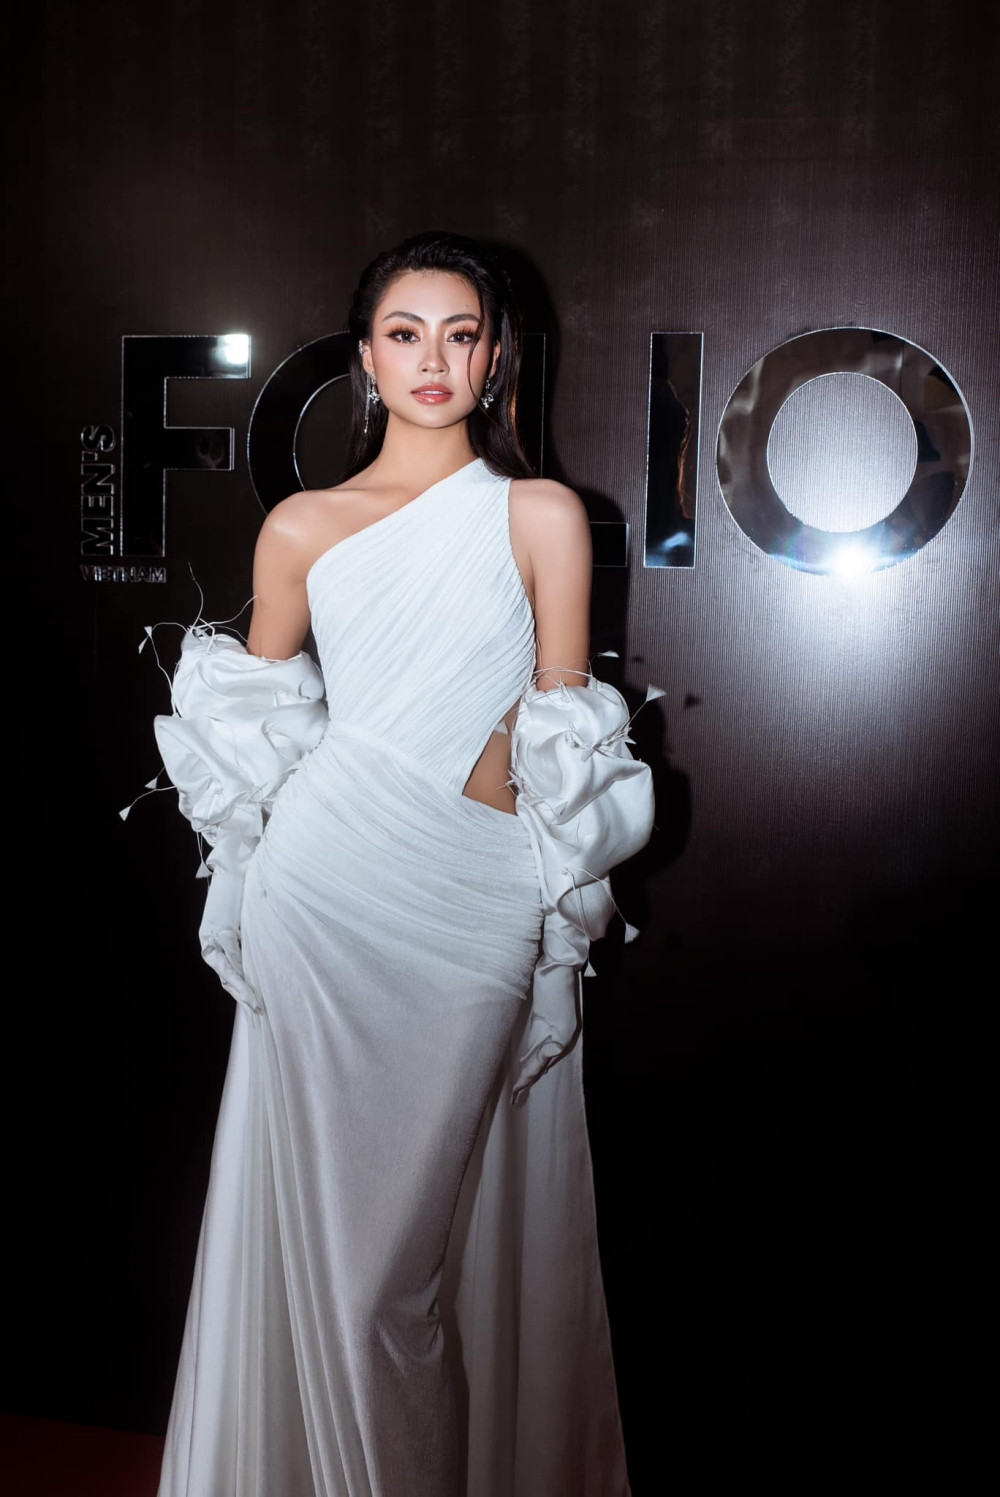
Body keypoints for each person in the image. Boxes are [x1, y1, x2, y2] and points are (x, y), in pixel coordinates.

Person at [152, 230, 655, 1497]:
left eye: (461, 335)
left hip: (471, 899)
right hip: (322, 895)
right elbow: (252, 729)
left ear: (494, 360)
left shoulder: (540, 514)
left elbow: (561, 725)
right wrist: (244, 888)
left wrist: (504, 817)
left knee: (390, 1277)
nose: (435, 359)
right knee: (341, 1262)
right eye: (404, 333)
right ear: (367, 361)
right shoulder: (302, 525)